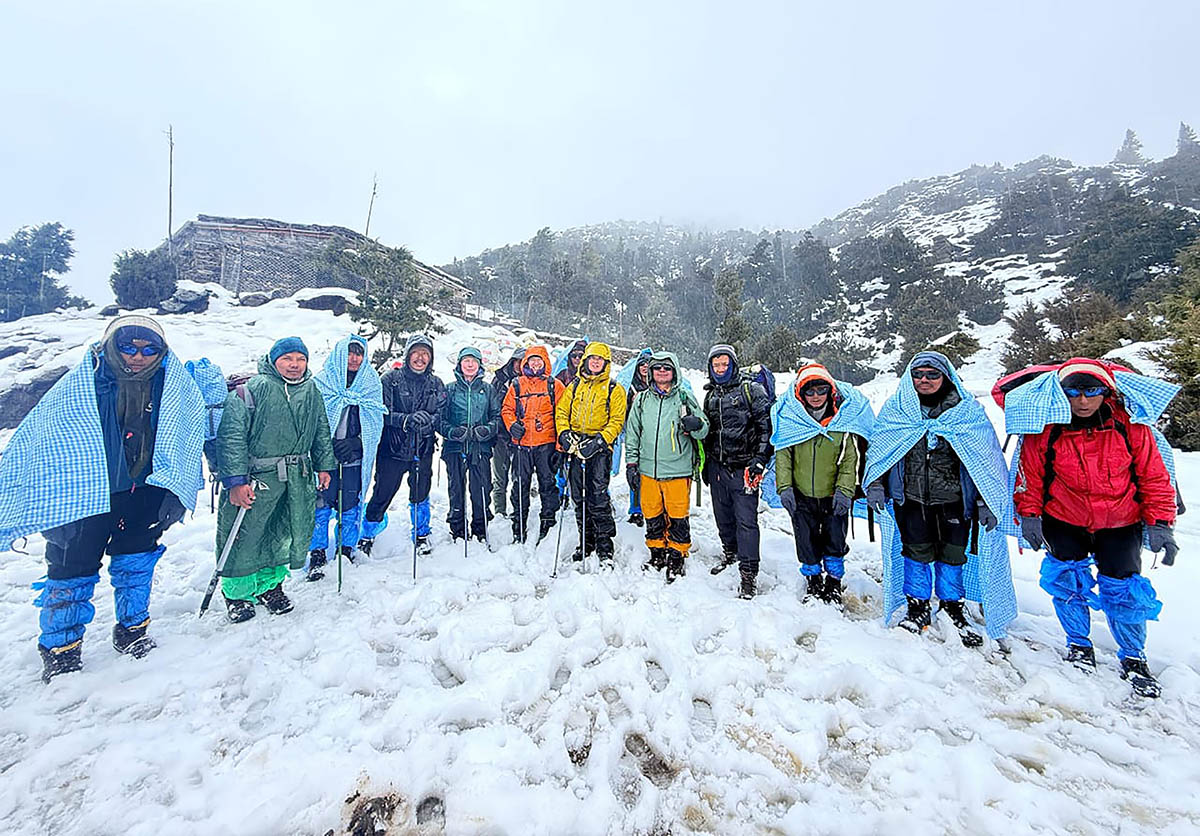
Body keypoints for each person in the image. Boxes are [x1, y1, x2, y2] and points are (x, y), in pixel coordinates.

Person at [0, 316, 205, 681]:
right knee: (71, 568)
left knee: (137, 561)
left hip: (143, 489)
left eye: (149, 349)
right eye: (128, 347)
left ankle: (132, 629)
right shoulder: (82, 385)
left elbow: (189, 433)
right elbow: (44, 434)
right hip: (82, 492)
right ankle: (61, 647)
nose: (138, 356)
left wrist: (177, 486)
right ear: (113, 345)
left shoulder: (172, 385)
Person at [1011, 358, 1178, 698]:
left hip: (1121, 521)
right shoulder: (1047, 428)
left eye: (1092, 391)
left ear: (1107, 392)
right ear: (1062, 394)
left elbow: (1154, 476)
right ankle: (1078, 644)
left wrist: (1161, 523)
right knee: (1068, 582)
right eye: (1073, 392)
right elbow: (1030, 474)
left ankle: (1133, 657)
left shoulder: (1131, 427)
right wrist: (1029, 515)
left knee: (1124, 589)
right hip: (1064, 518)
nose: (1082, 401)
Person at [865, 350, 1015, 647]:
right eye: (918, 374)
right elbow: (883, 450)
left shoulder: (966, 412)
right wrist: (876, 484)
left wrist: (986, 501)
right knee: (916, 553)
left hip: (955, 500)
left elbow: (983, 460)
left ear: (945, 377)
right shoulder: (898, 410)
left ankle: (952, 607)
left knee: (952, 555)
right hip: (911, 499)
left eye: (932, 374)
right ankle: (917, 606)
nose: (924, 380)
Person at [214, 337, 336, 622]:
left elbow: (320, 429)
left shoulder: (311, 390)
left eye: (300, 359)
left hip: (296, 478)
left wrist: (324, 466)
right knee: (247, 534)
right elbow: (231, 438)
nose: (294, 365)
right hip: (257, 478)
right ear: (273, 360)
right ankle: (238, 594)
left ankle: (270, 587)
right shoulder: (251, 390)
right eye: (287, 359)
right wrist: (236, 482)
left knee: (282, 532)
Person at [771, 364, 874, 608]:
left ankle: (834, 582)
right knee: (805, 540)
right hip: (801, 494)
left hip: (832, 495)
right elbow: (783, 456)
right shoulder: (793, 421)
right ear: (801, 395)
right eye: (810, 391)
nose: (815, 396)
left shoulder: (843, 422)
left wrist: (845, 491)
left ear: (830, 392)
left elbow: (849, 461)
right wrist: (784, 487)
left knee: (835, 539)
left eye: (821, 390)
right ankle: (814, 579)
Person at [625, 351, 709, 583]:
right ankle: (657, 553)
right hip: (648, 469)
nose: (662, 372)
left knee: (677, 515)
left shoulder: (684, 397)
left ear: (675, 372)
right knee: (652, 513)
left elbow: (704, 430)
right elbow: (632, 433)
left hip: (677, 470)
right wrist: (631, 463)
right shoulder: (642, 400)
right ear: (651, 372)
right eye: (657, 368)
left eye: (667, 368)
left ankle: (676, 555)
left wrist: (697, 425)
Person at [307, 335, 385, 581]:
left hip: (353, 456)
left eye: (359, 354)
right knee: (321, 502)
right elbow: (311, 420)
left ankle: (346, 548)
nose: (354, 359)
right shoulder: (323, 382)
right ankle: (317, 551)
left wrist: (357, 442)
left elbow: (375, 420)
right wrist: (326, 446)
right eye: (350, 353)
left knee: (349, 503)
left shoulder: (370, 383)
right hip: (324, 457)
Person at [360, 334, 447, 556]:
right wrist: (405, 420)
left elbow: (442, 413)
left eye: (425, 354)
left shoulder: (436, 383)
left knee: (420, 492)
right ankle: (367, 533)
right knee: (383, 492)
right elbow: (381, 411)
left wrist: (429, 422)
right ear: (408, 354)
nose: (420, 358)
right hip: (393, 449)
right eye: (416, 352)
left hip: (423, 447)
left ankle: (421, 533)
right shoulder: (391, 379)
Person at [701, 345, 772, 599]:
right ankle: (730, 554)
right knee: (723, 517)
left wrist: (759, 460)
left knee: (747, 522)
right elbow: (709, 432)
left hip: (745, 468)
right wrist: (706, 465)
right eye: (715, 365)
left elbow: (767, 429)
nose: (720, 369)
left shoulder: (751, 390)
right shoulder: (710, 396)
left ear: (733, 364)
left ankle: (749, 574)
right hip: (718, 466)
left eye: (724, 364)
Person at [555, 342, 626, 566]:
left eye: (600, 360)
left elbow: (616, 420)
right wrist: (564, 433)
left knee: (598, 495)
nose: (595, 363)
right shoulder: (575, 386)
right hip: (576, 445)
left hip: (600, 448)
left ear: (606, 363)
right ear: (585, 361)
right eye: (592, 359)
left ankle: (605, 544)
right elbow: (562, 411)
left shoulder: (614, 389)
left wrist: (599, 441)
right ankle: (585, 541)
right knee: (579, 495)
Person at [438, 346, 502, 544]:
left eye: (474, 360)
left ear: (480, 364)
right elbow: (440, 418)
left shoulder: (488, 389)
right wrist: (451, 432)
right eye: (466, 360)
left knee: (481, 489)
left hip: (480, 448)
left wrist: (487, 430)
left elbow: (497, 417)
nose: (470, 364)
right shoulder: (449, 389)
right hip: (455, 447)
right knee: (456, 488)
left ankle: (480, 528)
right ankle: (457, 528)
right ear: (459, 363)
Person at [501, 345, 564, 543]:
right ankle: (518, 524)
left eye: (539, 360)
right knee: (520, 485)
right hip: (521, 444)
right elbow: (507, 409)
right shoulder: (517, 384)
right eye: (532, 360)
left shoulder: (555, 385)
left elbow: (562, 416)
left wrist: (560, 447)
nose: (535, 364)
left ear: (545, 362)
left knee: (547, 484)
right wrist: (512, 426)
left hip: (546, 444)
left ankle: (548, 520)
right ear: (525, 362)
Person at [490, 347, 525, 518]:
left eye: (523, 361)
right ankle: (499, 511)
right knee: (499, 475)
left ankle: (517, 510)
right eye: (518, 361)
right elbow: (490, 404)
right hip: (501, 435)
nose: (520, 365)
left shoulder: (531, 381)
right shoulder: (499, 380)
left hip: (523, 437)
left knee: (519, 476)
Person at [623, 350, 652, 526]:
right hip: (635, 434)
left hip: (654, 435)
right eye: (641, 364)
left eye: (648, 364)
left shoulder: (659, 384)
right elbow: (623, 413)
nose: (644, 367)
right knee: (634, 472)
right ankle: (636, 510)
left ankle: (651, 507)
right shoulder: (630, 387)